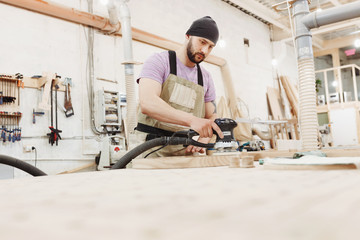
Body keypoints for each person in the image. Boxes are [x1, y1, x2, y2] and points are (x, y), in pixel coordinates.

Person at [136, 16, 224, 157]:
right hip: (150, 148)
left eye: (210, 47)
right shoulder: (159, 61)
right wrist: (192, 120)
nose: (205, 50)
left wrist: (207, 134)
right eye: (202, 42)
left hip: (186, 149)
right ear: (188, 36)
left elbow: (212, 115)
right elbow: (148, 102)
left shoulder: (206, 77)